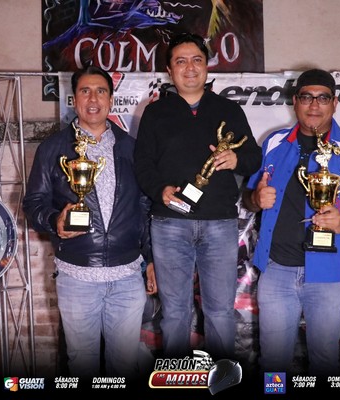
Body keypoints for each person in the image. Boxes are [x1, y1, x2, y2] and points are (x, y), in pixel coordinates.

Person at [242, 68, 340, 376]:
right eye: (306, 97)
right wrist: (256, 198)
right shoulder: (274, 143)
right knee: (273, 364)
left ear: (335, 103)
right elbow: (250, 199)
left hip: (329, 272)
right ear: (295, 101)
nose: (314, 105)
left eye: (323, 98)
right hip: (277, 270)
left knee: (324, 362)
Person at [133, 32, 262, 361]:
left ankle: (221, 376)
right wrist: (160, 190)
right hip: (169, 223)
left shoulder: (229, 110)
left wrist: (236, 159)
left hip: (219, 224)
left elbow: (253, 158)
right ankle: (177, 376)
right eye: (181, 61)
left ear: (207, 66)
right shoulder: (155, 113)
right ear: (169, 70)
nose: (189, 68)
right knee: (174, 312)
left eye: (197, 60)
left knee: (219, 311)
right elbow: (142, 165)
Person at [22, 65, 156, 381]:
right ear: (74, 99)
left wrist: (151, 258)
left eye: (100, 91)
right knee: (82, 364)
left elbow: (145, 209)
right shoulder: (53, 148)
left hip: (126, 277)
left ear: (111, 100)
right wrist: (54, 220)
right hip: (77, 277)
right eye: (85, 91)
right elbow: (32, 204)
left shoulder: (132, 148)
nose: (93, 99)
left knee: (124, 366)